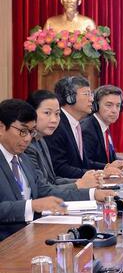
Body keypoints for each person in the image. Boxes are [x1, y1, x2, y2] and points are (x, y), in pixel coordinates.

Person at [0, 99, 114, 241]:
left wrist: (92, 194)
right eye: (23, 131)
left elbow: (45, 191)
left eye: (31, 132)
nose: (28, 138)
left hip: (32, 234)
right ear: (1, 128)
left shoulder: (23, 159)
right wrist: (31, 206)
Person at [46, 76, 121, 179]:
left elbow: (83, 163)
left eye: (91, 94)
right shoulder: (57, 125)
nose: (91, 99)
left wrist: (106, 168)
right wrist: (101, 174)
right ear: (70, 98)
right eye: (86, 94)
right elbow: (60, 169)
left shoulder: (75, 124)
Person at [24, 90, 100, 189]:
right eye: (47, 113)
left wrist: (84, 181)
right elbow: (41, 189)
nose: (54, 120)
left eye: (57, 114)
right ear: (31, 113)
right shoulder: (27, 146)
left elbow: (52, 180)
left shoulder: (41, 140)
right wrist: (79, 185)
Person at [81, 85, 123, 168]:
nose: (114, 110)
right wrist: (108, 167)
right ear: (95, 106)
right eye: (109, 105)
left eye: (118, 105)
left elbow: (109, 159)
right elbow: (85, 163)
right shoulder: (87, 129)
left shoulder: (104, 127)